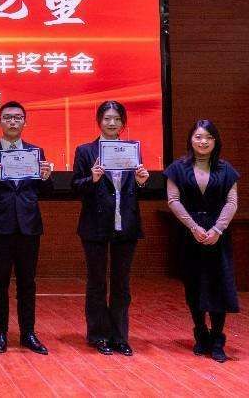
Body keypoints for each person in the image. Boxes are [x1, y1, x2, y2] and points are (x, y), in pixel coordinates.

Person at [0, 101, 53, 355]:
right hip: (0, 225)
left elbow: (45, 191)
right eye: (7, 117)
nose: (12, 121)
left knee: (27, 281)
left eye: (17, 118)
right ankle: (0, 332)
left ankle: (28, 332)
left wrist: (46, 177)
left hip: (29, 224)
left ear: (25, 122)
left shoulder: (36, 152)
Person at [71, 100, 149, 356]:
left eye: (116, 119)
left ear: (123, 123)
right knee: (96, 282)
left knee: (121, 284)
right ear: (99, 121)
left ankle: (119, 336)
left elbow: (134, 188)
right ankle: (98, 335)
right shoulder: (85, 151)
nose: (112, 123)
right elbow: (75, 186)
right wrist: (92, 179)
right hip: (95, 225)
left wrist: (141, 182)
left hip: (125, 224)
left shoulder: (132, 150)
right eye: (107, 118)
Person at [164, 120, 239, 363]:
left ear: (215, 141)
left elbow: (232, 202)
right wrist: (194, 227)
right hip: (189, 234)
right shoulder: (178, 168)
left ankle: (217, 339)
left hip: (218, 234)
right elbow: (173, 200)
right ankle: (200, 333)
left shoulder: (226, 169)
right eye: (198, 137)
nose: (203, 141)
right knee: (194, 285)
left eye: (208, 137)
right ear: (191, 140)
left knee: (218, 285)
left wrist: (217, 229)